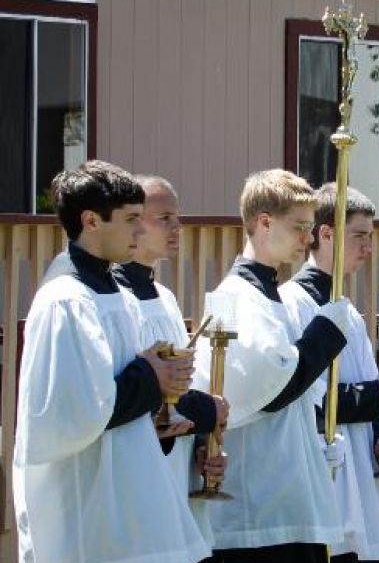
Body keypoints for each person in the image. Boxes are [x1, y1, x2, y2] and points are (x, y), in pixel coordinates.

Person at [13, 162, 210, 563]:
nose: (141, 231)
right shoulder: (65, 300)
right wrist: (151, 376)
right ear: (90, 221)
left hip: (131, 500)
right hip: (87, 511)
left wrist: (163, 403)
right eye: (131, 220)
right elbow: (74, 413)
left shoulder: (116, 294)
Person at [191, 169, 351, 563]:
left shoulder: (272, 294)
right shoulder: (238, 297)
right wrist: (327, 331)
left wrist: (314, 447)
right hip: (258, 513)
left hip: (287, 493)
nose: (308, 239)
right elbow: (273, 389)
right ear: (264, 222)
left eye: (311, 228)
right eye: (298, 226)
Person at [278, 184, 379, 563]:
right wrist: (376, 394)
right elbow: (304, 401)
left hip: (360, 480)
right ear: (326, 233)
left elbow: (366, 388)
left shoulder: (347, 310)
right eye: (359, 236)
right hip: (320, 480)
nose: (368, 249)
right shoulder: (292, 304)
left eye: (371, 237)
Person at [111, 174, 229, 553]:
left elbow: (180, 384)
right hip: (131, 477)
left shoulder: (164, 296)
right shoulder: (114, 301)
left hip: (175, 474)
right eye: (164, 217)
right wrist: (205, 410)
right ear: (133, 222)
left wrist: (199, 448)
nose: (177, 226)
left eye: (177, 216)